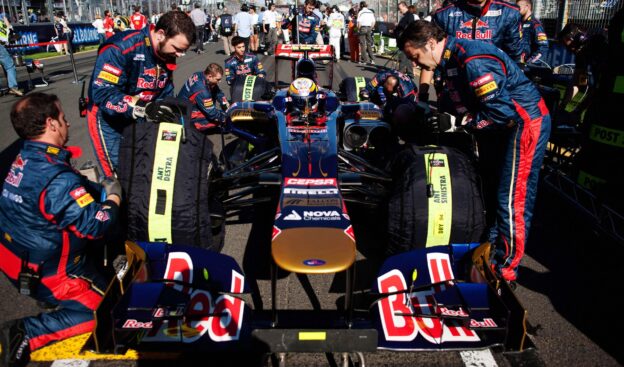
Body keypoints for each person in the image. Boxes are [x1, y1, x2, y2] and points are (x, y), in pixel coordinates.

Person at [398, 21, 551, 284]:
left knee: (511, 197)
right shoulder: (447, 61)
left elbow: (503, 114)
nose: (416, 65)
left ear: (431, 43)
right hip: (500, 126)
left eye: (416, 57)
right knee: (490, 186)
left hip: (524, 123)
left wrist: (458, 123)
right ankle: (490, 247)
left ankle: (504, 269)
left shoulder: (474, 60)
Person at [0, 93, 122, 367]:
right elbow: (94, 224)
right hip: (53, 274)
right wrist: (114, 196)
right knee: (108, 312)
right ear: (51, 124)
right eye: (64, 118)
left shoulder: (22, 158)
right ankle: (26, 333)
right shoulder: (55, 177)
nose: (67, 123)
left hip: (19, 262)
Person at [87, 11, 195, 178]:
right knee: (119, 175)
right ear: (160, 34)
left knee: (144, 169)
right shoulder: (120, 48)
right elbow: (103, 93)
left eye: (183, 51)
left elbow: (164, 91)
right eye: (177, 49)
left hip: (141, 115)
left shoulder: (166, 52)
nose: (179, 55)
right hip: (108, 119)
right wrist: (142, 107)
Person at [419, 0, 523, 101]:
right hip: (455, 94)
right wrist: (422, 99)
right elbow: (429, 60)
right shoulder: (444, 15)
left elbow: (515, 61)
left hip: (493, 92)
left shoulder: (509, 13)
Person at [556, 23, 608, 123]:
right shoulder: (580, 53)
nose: (564, 45)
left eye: (565, 40)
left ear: (571, 38)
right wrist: (562, 105)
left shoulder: (598, 45)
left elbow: (595, 89)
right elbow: (577, 82)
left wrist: (578, 110)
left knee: (597, 90)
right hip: (595, 64)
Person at [177, 63, 229, 131]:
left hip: (186, 102)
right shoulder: (203, 91)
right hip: (185, 112)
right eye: (218, 79)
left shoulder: (200, 74)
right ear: (210, 76)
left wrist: (224, 102)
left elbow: (217, 91)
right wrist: (225, 117)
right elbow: (212, 114)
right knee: (217, 120)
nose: (220, 81)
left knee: (212, 89)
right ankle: (191, 125)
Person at [516, 0, 548, 64]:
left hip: (527, 67)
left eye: (518, 7)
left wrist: (529, 63)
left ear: (527, 7)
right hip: (517, 63)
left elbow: (543, 47)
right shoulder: (517, 23)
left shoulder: (535, 24)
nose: (516, 9)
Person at [0, 16, 23, 96]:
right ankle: (13, 87)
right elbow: (14, 35)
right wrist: (6, 20)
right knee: (10, 66)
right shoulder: (4, 24)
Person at [395, 1, 418, 76]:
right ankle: (409, 73)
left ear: (404, 6)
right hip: (403, 39)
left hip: (405, 39)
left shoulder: (409, 15)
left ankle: (401, 73)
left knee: (403, 57)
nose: (399, 10)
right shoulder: (405, 16)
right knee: (406, 57)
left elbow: (410, 27)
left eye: (400, 8)